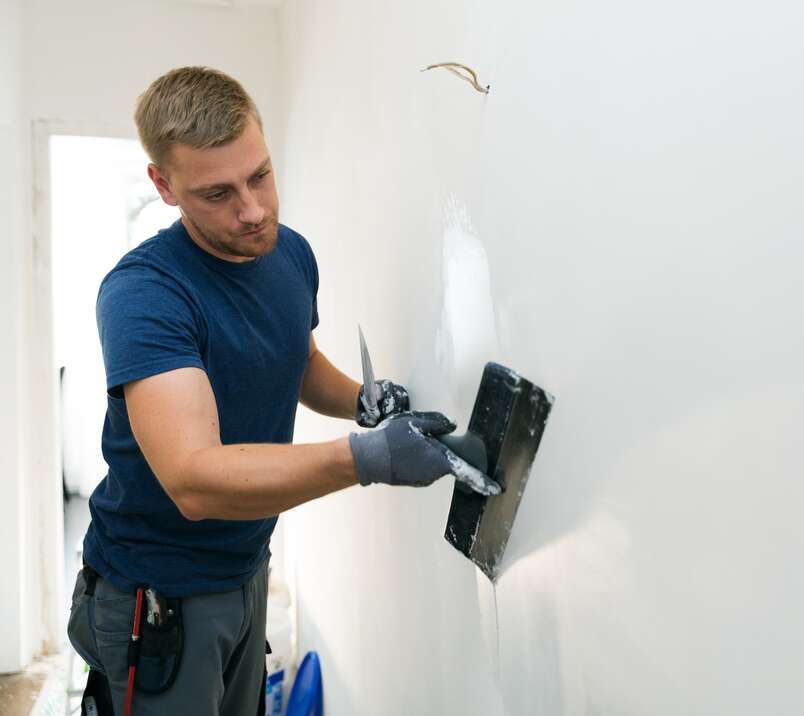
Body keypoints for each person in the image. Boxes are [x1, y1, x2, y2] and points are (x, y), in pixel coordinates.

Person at [66, 66, 498, 715]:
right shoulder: (145, 295)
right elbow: (195, 478)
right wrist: (369, 458)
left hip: (246, 568)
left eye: (260, 175)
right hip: (158, 596)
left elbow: (298, 363)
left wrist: (361, 400)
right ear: (164, 185)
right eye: (217, 194)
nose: (254, 210)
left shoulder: (289, 254)